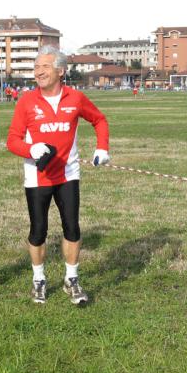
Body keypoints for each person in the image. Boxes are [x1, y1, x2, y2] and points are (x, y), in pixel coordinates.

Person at [7, 46, 110, 305]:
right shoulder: (27, 101)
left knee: (72, 227)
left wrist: (102, 147)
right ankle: (39, 280)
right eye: (36, 67)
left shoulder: (75, 98)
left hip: (68, 174)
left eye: (44, 67)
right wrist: (31, 148)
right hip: (37, 177)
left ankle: (71, 279)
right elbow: (12, 140)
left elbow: (99, 120)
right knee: (38, 230)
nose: (38, 72)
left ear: (60, 71)